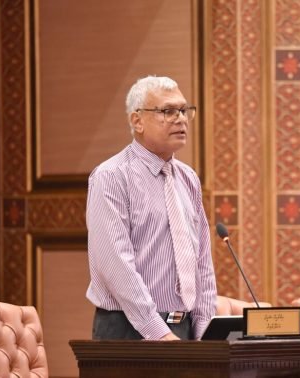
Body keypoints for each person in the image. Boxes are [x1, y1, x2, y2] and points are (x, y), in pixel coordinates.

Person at [85, 75, 217, 340]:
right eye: (168, 111)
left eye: (183, 110)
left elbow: (201, 260)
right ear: (137, 121)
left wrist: (204, 329)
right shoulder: (112, 176)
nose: (180, 119)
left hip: (184, 329)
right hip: (128, 329)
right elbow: (115, 264)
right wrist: (158, 332)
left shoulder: (188, 178)